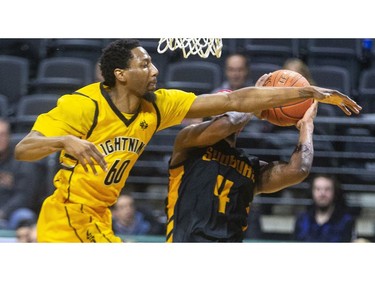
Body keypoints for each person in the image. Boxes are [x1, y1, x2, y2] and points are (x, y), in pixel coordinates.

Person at [14, 39, 361, 243]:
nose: (155, 70)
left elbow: (232, 101)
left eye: (153, 63)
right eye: (145, 64)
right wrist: (64, 142)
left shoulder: (158, 105)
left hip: (100, 216)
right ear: (121, 74)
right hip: (67, 217)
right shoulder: (82, 104)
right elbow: (24, 148)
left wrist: (308, 92)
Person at [165, 84, 319, 242]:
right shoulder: (188, 142)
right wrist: (254, 102)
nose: (226, 112)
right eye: (223, 107)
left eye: (231, 106)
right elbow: (227, 124)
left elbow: (298, 170)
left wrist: (307, 127)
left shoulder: (251, 167)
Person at [0, 118, 40, 230]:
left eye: (3, 134)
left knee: (24, 215)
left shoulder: (23, 159)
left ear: (9, 136)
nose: (0, 139)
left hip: (12, 213)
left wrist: (3, 212)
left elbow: (24, 196)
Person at [293, 174, 357, 242]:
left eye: (327, 189)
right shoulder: (302, 219)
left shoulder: (346, 220)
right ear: (312, 192)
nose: (322, 193)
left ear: (334, 192)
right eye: (318, 189)